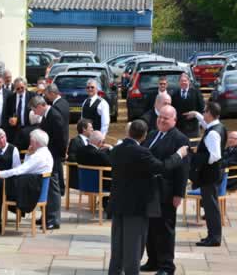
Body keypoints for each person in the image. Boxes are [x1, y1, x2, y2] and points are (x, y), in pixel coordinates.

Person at [108, 120, 188, 275]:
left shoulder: (116, 150)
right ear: (144, 135)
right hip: (136, 206)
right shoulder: (141, 153)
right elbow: (163, 167)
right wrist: (179, 154)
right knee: (134, 245)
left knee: (117, 244)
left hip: (118, 203)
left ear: (128, 133)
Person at [140, 105, 189, 274]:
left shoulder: (180, 139)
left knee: (165, 230)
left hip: (166, 191)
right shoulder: (153, 134)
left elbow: (182, 169)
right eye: (160, 117)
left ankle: (167, 266)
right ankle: (152, 260)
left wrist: (178, 194)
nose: (161, 120)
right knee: (151, 228)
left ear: (174, 120)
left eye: (166, 118)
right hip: (149, 190)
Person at [184, 102, 226, 247]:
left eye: (204, 112)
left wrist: (197, 157)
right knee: (210, 206)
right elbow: (205, 124)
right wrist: (196, 115)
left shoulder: (213, 133)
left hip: (210, 175)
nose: (204, 114)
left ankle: (214, 238)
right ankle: (211, 235)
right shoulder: (218, 126)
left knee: (211, 207)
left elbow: (215, 155)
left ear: (209, 113)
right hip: (213, 174)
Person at [31, 96, 67, 229]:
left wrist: (60, 156)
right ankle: (46, 216)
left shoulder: (54, 115)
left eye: (34, 110)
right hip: (48, 156)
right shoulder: (47, 115)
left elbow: (61, 139)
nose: (34, 113)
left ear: (40, 106)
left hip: (53, 157)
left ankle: (54, 219)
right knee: (47, 187)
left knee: (53, 189)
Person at [77, 130, 112, 215]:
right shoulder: (100, 155)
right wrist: (111, 148)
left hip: (84, 184)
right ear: (100, 142)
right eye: (103, 142)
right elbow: (112, 164)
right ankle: (109, 208)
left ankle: (105, 203)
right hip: (99, 185)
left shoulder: (80, 151)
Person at [171, 73, 205, 138]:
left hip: (193, 126)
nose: (183, 82)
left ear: (189, 82)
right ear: (179, 82)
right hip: (179, 126)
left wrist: (195, 115)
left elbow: (202, 107)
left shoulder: (196, 92)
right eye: (181, 81)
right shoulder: (174, 94)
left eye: (185, 81)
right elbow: (172, 109)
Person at [5, 77, 35, 150]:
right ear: (14, 88)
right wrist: (9, 119)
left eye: (22, 87)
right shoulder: (11, 98)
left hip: (28, 129)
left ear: (25, 86)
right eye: (18, 88)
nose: (20, 90)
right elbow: (6, 113)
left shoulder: (32, 96)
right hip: (15, 131)